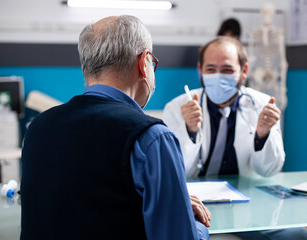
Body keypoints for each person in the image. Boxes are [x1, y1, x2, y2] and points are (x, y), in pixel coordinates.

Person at [20, 15, 210, 240]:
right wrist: (191, 220)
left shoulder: (38, 128)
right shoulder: (152, 138)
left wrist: (169, 204)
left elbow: (82, 205)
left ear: (85, 69)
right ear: (144, 63)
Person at [163, 36, 307, 239]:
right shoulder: (177, 108)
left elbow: (269, 170)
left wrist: (263, 134)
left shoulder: (263, 105)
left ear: (244, 71)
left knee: (296, 235)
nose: (218, 76)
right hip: (195, 204)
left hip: (246, 202)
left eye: (227, 70)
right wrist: (190, 130)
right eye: (211, 69)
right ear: (200, 70)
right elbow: (177, 172)